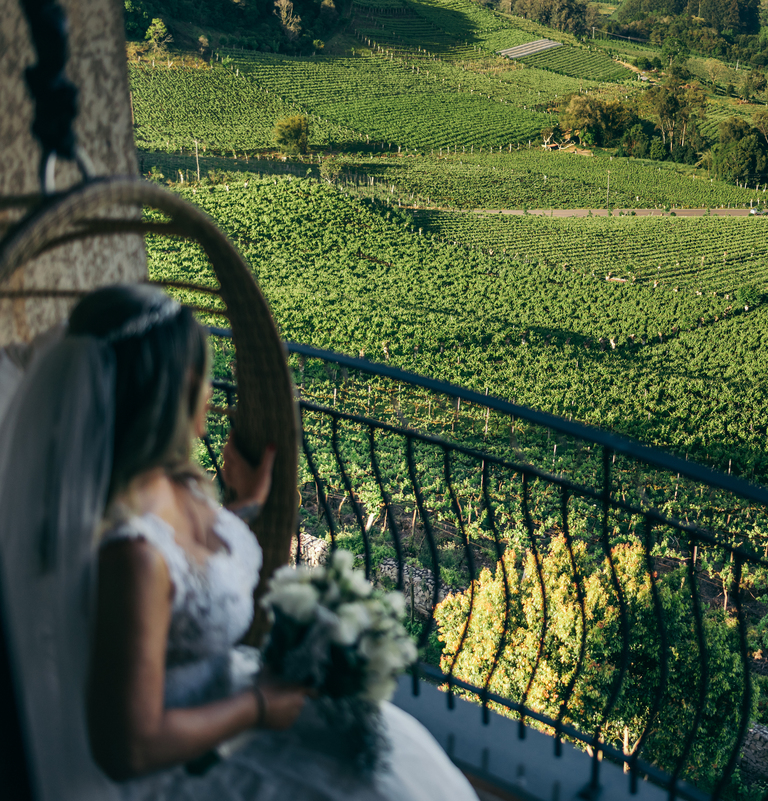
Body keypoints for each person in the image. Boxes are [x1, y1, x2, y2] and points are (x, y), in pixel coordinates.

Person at [0, 285, 477, 800]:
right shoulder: (129, 556)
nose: (210, 391)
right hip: (189, 764)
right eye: (200, 375)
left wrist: (242, 507)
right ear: (170, 391)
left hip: (234, 701)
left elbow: (185, 564)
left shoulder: (171, 478)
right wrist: (261, 707)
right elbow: (129, 750)